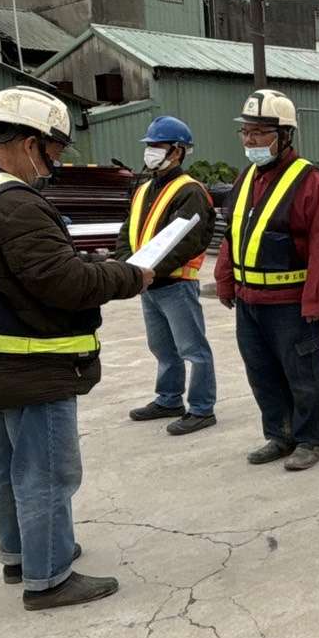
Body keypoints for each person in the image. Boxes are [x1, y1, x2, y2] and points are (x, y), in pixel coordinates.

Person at [0, 88, 151, 609]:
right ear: (31, 142)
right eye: (54, 152)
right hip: (30, 362)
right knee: (46, 471)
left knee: (6, 466)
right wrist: (129, 275)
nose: (54, 166)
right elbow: (63, 284)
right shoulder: (14, 203)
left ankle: (21, 555)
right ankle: (50, 575)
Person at [215, 89, 319, 471]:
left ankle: (310, 439)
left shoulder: (310, 181)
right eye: (246, 133)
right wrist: (225, 279)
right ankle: (279, 434)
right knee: (262, 373)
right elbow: (234, 231)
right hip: (250, 301)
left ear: (285, 136)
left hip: (290, 303)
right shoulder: (246, 177)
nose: (250, 141)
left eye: (259, 133)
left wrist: (315, 302)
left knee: (304, 375)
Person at [115, 115, 218, 435]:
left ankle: (202, 408)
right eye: (150, 146)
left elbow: (187, 240)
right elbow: (128, 230)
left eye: (157, 146)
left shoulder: (190, 191)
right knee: (162, 348)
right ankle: (169, 398)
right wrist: (125, 265)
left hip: (175, 283)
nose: (151, 152)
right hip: (149, 283)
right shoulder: (144, 188)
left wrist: (148, 271)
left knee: (193, 349)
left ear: (178, 152)